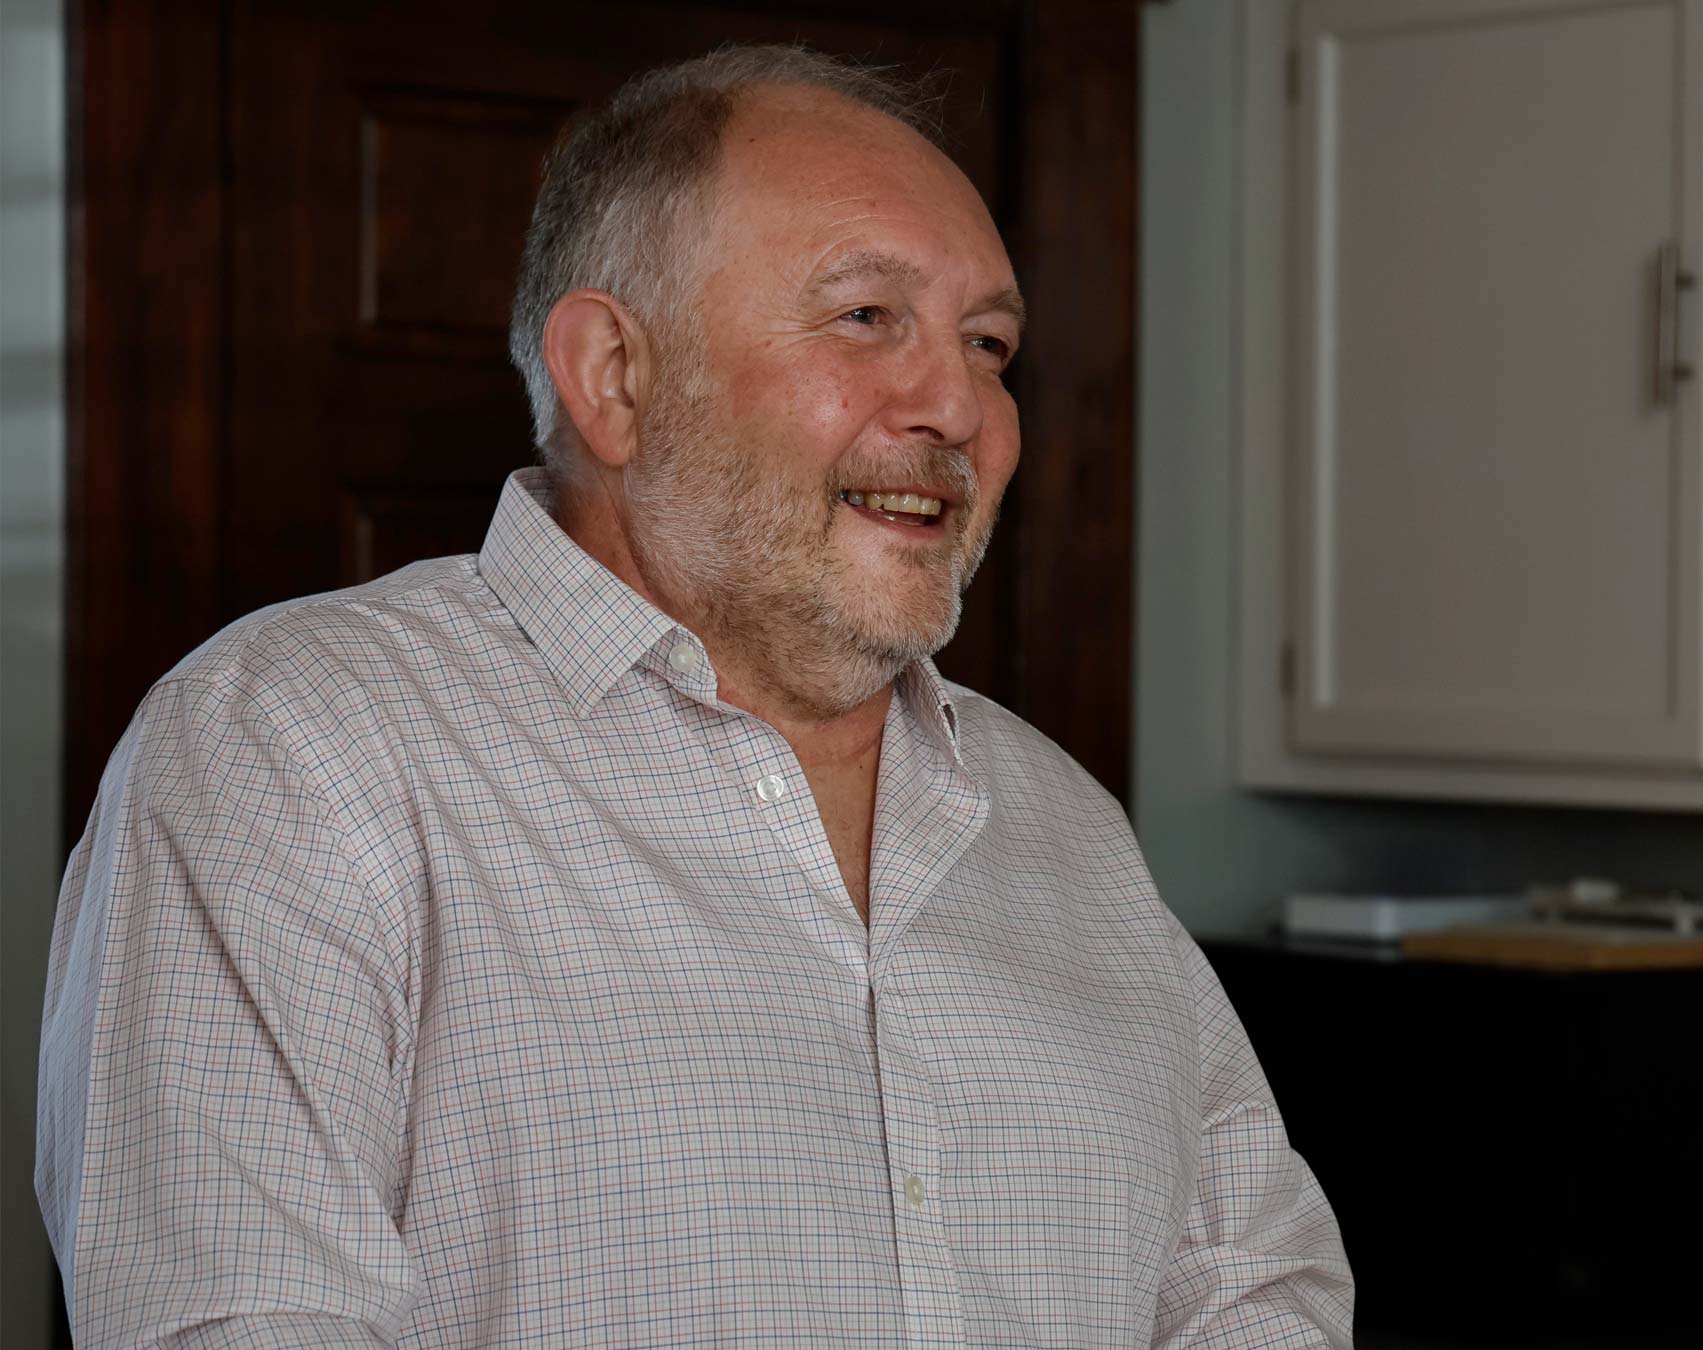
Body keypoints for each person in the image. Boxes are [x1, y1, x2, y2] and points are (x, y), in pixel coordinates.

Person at [37, 45, 1352, 1347]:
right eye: (864, 318)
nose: (961, 405)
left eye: (991, 343)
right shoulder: (289, 750)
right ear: (613, 374)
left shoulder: (1065, 824)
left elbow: (1255, 1290)